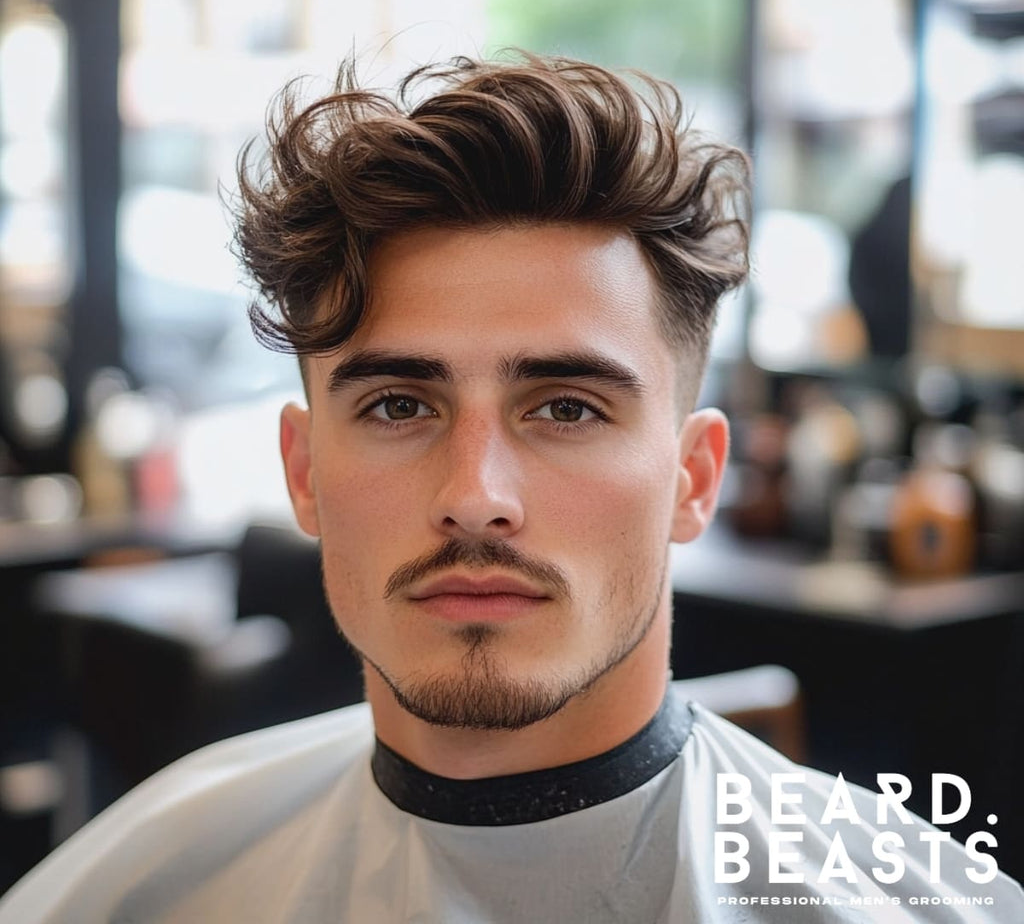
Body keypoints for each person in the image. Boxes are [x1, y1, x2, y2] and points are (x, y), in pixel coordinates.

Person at [1, 54, 1021, 923]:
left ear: (693, 479)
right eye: (399, 405)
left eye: (566, 408)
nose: (476, 495)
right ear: (304, 473)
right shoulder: (147, 884)